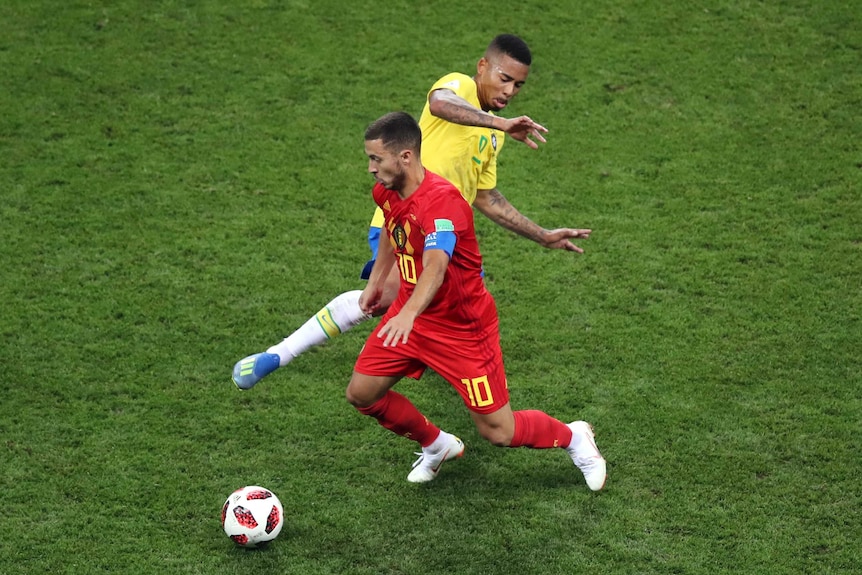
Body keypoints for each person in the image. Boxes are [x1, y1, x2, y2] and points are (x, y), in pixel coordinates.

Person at [233, 33, 591, 389]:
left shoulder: (494, 136)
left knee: (462, 323)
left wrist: (542, 235)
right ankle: (279, 354)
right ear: (482, 67)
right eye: (504, 78)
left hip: (447, 239)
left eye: (519, 85)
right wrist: (500, 122)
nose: (510, 91)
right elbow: (439, 103)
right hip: (404, 222)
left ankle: (454, 428)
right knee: (382, 297)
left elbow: (485, 197)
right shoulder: (460, 87)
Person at [347, 111, 605, 489]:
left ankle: (574, 436)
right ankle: (436, 445)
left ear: (405, 157)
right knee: (362, 393)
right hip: (411, 314)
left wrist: (409, 314)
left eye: (376, 158)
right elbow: (392, 225)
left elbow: (436, 265)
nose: (370, 168)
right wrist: (379, 280)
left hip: (462, 330)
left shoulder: (442, 202)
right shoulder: (386, 190)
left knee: (499, 431)